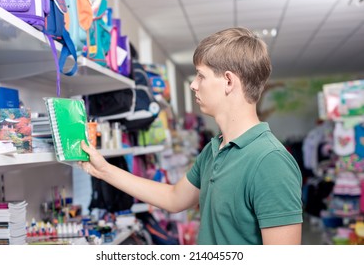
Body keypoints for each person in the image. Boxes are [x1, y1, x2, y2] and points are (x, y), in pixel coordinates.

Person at [79, 27, 303, 245]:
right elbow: (174, 198)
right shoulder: (215, 149)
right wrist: (104, 170)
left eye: (201, 76)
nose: (194, 85)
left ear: (228, 81)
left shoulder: (270, 161)